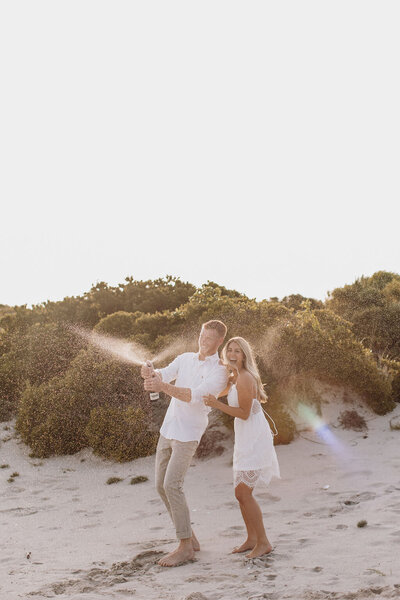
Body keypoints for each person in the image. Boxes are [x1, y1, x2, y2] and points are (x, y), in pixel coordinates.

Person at [141, 320, 228, 567]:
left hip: (188, 434)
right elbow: (163, 374)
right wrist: (149, 372)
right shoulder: (185, 358)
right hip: (168, 429)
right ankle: (190, 539)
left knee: (172, 486)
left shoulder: (219, 371)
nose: (203, 341)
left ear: (219, 340)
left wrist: (161, 386)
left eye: (209, 338)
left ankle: (185, 547)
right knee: (160, 486)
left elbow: (193, 396)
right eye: (202, 335)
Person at [203, 336, 280, 558]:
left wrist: (216, 405)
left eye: (237, 351)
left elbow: (245, 414)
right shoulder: (234, 376)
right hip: (244, 437)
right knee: (240, 494)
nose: (233, 354)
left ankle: (263, 541)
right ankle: (251, 538)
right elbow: (219, 389)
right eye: (230, 350)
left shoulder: (245, 378)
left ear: (244, 354)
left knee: (243, 493)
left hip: (254, 436)